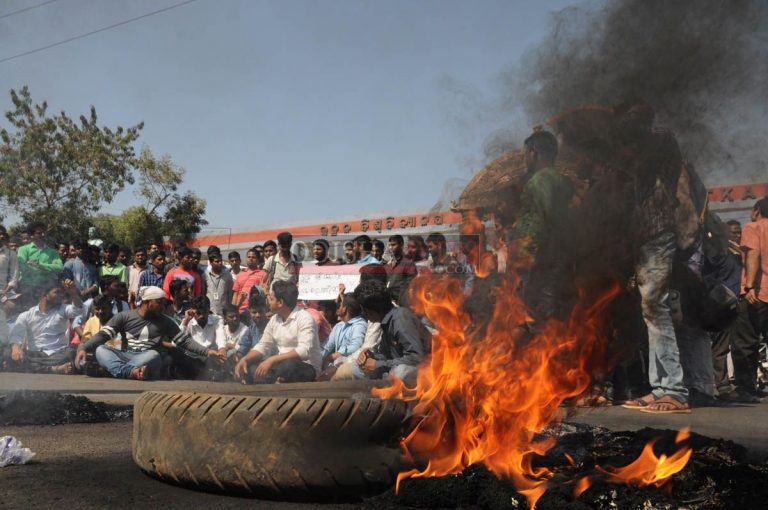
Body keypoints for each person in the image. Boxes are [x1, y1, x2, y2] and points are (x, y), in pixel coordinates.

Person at [609, 100, 690, 413]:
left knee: (656, 307)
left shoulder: (660, 141)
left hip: (658, 235)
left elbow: (644, 159)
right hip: (644, 238)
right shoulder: (638, 155)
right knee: (650, 309)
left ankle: (674, 390)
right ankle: (659, 389)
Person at [75, 286, 225, 380]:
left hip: (146, 357)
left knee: (154, 355)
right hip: (126, 355)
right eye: (159, 302)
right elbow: (103, 336)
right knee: (101, 349)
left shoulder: (165, 321)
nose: (162, 306)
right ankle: (131, 372)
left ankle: (116, 371)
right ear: (147, 302)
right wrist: (83, 348)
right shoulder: (124, 316)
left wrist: (207, 352)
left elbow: (184, 341)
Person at [723, 198, 768, 402]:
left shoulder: (753, 227)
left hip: (758, 293)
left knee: (744, 342)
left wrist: (749, 285)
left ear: (756, 211)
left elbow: (754, 254)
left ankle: (745, 389)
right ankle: (752, 387)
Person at [234, 281, 321, 384]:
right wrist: (246, 359)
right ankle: (273, 381)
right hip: (280, 365)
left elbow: (304, 351)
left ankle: (271, 381)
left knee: (288, 366)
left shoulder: (305, 318)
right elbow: (263, 345)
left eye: (271, 299)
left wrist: (272, 360)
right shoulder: (275, 319)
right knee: (247, 366)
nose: (268, 302)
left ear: (280, 302)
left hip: (305, 367)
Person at [351, 279, 429, 386]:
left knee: (401, 372)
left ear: (368, 310)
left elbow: (417, 358)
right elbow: (387, 356)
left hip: (426, 371)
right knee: (356, 367)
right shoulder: (386, 321)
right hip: (395, 369)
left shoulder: (400, 319)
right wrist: (372, 357)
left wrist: (377, 364)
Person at [8, 278, 83, 374]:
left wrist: (73, 293)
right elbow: (16, 335)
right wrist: (15, 348)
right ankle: (54, 369)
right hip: (35, 355)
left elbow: (78, 310)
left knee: (71, 353)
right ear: (45, 294)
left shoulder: (63, 309)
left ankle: (42, 368)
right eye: (57, 292)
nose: (60, 296)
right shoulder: (26, 315)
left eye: (62, 293)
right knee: (9, 355)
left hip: (58, 354)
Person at [176, 295, 223, 379]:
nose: (201, 316)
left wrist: (222, 348)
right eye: (198, 313)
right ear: (192, 311)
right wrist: (186, 321)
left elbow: (221, 336)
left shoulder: (217, 319)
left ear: (209, 309)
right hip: (194, 356)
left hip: (212, 355)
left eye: (204, 312)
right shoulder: (188, 321)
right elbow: (176, 341)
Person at [17, 221, 63, 305]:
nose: (43, 235)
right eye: (39, 233)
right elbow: (22, 266)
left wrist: (40, 265)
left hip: (45, 290)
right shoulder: (23, 249)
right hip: (28, 289)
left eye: (44, 232)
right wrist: (48, 268)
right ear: (31, 235)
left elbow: (59, 267)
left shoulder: (53, 252)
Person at [321, 293, 367, 370]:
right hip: (335, 366)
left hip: (350, 366)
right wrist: (317, 357)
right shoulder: (339, 326)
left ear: (344, 308)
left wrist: (337, 354)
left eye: (339, 304)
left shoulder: (360, 324)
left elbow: (356, 345)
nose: (336, 307)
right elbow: (327, 347)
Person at [232, 249, 267, 313]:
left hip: (255, 311)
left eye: (253, 257)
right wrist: (233, 309)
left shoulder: (263, 274)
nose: (251, 259)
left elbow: (264, 293)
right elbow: (235, 294)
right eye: (249, 257)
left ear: (258, 260)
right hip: (240, 310)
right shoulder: (239, 275)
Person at [386, 235, 417, 304]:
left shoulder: (408, 264)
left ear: (401, 245)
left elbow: (410, 285)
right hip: (386, 301)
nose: (390, 248)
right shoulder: (386, 264)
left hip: (400, 302)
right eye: (389, 245)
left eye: (393, 245)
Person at [204, 251, 234, 315]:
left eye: (221, 261)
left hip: (224, 311)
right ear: (211, 263)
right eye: (217, 261)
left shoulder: (227, 275)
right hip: (210, 311)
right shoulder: (205, 275)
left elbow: (230, 292)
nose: (220, 263)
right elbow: (203, 292)